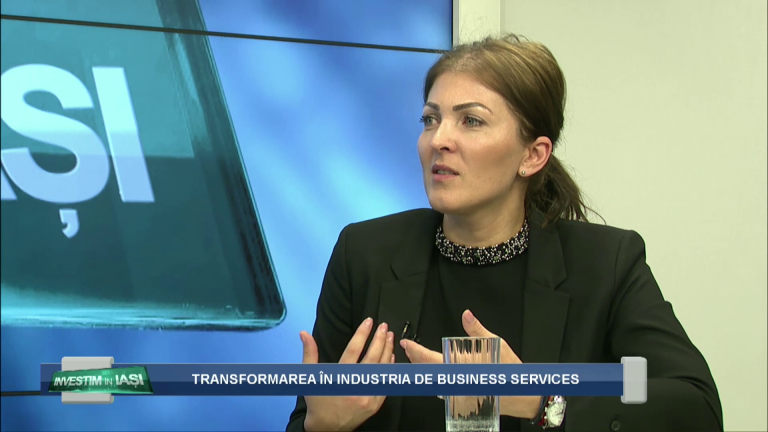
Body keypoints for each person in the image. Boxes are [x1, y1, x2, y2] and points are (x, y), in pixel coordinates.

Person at [285, 34, 722, 432]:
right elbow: (310, 418)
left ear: (532, 155)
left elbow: (694, 406)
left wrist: (538, 400)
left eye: (471, 121)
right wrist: (321, 428)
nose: (439, 140)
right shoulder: (365, 255)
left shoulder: (604, 266)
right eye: (430, 119)